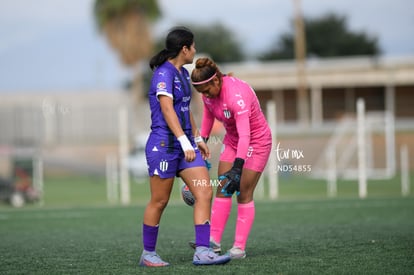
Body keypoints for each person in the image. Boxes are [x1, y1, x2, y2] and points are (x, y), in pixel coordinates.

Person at [139, 27, 231, 267]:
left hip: (186, 145)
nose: (195, 50)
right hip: (164, 146)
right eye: (193, 46)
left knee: (204, 192)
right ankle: (148, 254)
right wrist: (182, 140)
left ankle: (202, 251)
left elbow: (184, 108)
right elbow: (167, 109)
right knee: (159, 201)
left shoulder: (181, 74)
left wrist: (198, 138)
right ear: (184, 49)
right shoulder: (163, 74)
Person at [190, 57, 272, 259]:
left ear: (216, 81)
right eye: (201, 93)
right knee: (224, 187)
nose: (205, 95)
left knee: (243, 191)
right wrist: (203, 142)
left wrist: (238, 167)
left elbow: (247, 135)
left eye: (206, 91)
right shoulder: (207, 93)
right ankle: (214, 243)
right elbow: (208, 117)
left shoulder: (236, 95)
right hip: (233, 140)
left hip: (256, 141)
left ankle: (238, 248)